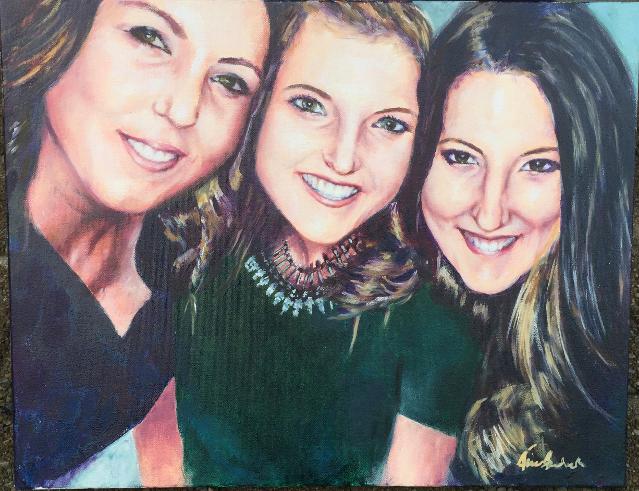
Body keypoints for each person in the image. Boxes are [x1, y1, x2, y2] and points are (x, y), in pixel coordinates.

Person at [166, 1, 481, 486]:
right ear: (257, 107)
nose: (343, 158)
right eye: (310, 105)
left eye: (389, 124)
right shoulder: (184, 257)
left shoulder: (434, 325)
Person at [2, 0, 272, 486]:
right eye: (150, 38)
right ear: (61, 25)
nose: (184, 109)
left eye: (230, 81)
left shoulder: (195, 294)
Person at [398, 2, 635, 485]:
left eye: (538, 166)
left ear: (590, 179)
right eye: (461, 157)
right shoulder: (380, 309)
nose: (490, 213)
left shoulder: (611, 378)